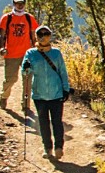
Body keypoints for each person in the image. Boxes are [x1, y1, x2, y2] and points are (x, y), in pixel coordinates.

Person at [20, 26, 72, 161]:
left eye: (46, 33)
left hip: (56, 93)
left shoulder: (56, 53)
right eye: (40, 34)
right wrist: (26, 68)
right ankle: (47, 148)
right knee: (43, 122)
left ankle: (58, 147)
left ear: (50, 36)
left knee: (57, 121)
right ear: (36, 37)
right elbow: (25, 73)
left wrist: (66, 89)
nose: (43, 36)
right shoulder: (30, 54)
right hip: (39, 94)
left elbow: (63, 72)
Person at [0, 0, 40, 115]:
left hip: (27, 55)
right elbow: (1, 35)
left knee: (27, 80)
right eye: (17, 3)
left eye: (22, 3)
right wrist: (1, 48)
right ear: (13, 3)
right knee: (11, 79)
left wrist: (37, 48)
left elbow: (34, 35)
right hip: (11, 54)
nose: (19, 5)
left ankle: (25, 106)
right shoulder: (6, 18)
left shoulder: (29, 18)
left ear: (25, 4)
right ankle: (4, 96)